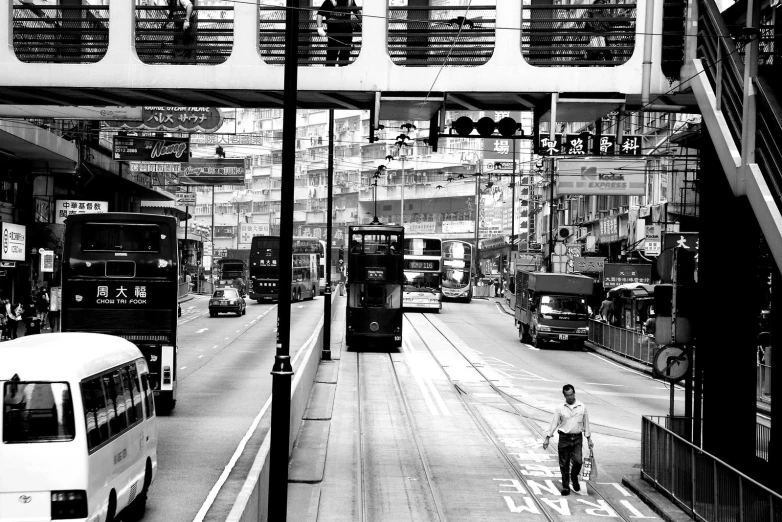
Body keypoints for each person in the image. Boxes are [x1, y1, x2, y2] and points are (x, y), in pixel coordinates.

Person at [543, 384, 594, 496]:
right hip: (564, 438)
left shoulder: (582, 406)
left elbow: (586, 424)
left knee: (578, 462)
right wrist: (547, 438)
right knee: (564, 464)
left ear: (574, 394)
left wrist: (589, 439)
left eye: (571, 395)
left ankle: (574, 476)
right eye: (567, 396)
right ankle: (566, 487)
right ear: (564, 396)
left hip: (577, 438)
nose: (570, 397)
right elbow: (554, 423)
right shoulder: (560, 408)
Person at [316, 0, 358, 66]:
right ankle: (330, 75)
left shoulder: (350, 1)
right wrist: (319, 27)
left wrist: (364, 24)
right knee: (331, 57)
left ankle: (342, 75)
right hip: (333, 35)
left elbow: (357, 13)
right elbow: (320, 14)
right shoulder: (329, 2)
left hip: (346, 35)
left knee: (344, 59)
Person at [167, 0, 198, 64]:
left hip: (190, 24)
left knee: (190, 49)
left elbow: (190, 6)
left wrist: (186, 20)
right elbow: (173, 11)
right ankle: (180, 67)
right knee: (180, 49)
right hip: (181, 25)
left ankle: (189, 68)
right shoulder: (170, 1)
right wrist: (168, 21)